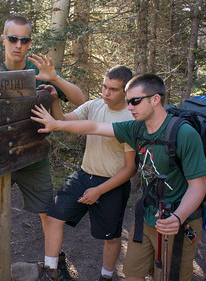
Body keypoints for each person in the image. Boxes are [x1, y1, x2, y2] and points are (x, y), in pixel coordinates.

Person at [31, 73, 206, 281]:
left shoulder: (184, 134)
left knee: (169, 276)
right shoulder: (136, 128)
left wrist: (178, 217)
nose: (130, 106)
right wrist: (57, 124)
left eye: (135, 101)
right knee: (132, 274)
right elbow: (95, 126)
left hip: (177, 218)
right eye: (128, 101)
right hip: (148, 214)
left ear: (155, 99)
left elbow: (198, 186)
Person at [0, 15, 87, 278]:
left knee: (48, 214)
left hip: (33, 158)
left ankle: (54, 265)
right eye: (12, 38)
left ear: (30, 42)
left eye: (24, 39)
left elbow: (81, 100)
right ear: (4, 39)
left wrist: (56, 79)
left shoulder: (39, 72)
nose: (18, 45)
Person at [38, 66, 136, 281]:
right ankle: (50, 271)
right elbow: (62, 120)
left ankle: (106, 276)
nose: (106, 93)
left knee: (111, 236)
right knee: (54, 216)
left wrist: (99, 191)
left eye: (113, 89)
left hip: (113, 183)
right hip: (84, 175)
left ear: (126, 92)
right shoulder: (94, 105)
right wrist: (55, 99)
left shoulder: (132, 118)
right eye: (104, 86)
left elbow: (130, 168)